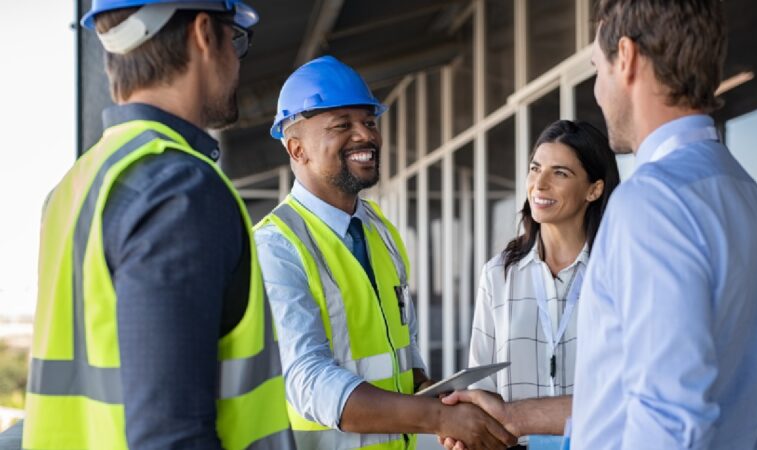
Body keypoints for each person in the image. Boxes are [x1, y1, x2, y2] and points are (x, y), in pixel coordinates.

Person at [22, 1, 293, 449]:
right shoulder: (179, 191)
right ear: (204, 32)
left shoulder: (76, 185)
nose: (236, 60)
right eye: (235, 39)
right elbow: (171, 438)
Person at [254, 55, 516, 450]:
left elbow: (401, 353)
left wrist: (443, 397)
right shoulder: (276, 246)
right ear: (297, 149)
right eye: (342, 125)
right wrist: (441, 418)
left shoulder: (377, 228)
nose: (366, 136)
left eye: (369, 122)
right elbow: (308, 380)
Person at [571, 1, 757, 449]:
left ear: (627, 58)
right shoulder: (752, 198)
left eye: (597, 68)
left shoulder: (650, 202)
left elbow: (667, 424)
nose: (596, 91)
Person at [440, 120, 619, 449]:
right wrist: (466, 426)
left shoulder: (618, 271)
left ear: (594, 189)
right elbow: (482, 380)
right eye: (535, 169)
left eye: (560, 173)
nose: (540, 183)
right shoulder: (499, 274)